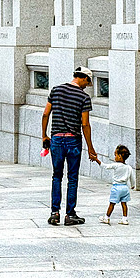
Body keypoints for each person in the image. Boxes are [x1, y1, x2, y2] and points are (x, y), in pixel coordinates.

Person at [41, 66, 98, 226]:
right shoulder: (84, 97)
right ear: (83, 78)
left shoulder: (56, 90)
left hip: (57, 139)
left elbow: (46, 114)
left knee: (56, 176)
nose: (87, 86)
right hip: (73, 140)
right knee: (72, 178)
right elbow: (85, 124)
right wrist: (91, 149)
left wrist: (44, 135)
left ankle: (54, 213)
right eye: (88, 82)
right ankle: (70, 214)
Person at [97, 144, 135, 225]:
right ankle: (125, 219)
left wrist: (97, 160)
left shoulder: (116, 165)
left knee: (112, 203)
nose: (115, 157)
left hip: (116, 187)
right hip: (125, 188)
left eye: (116, 155)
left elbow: (105, 166)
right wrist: (132, 185)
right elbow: (132, 178)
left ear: (120, 156)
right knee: (124, 204)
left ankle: (107, 217)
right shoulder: (129, 167)